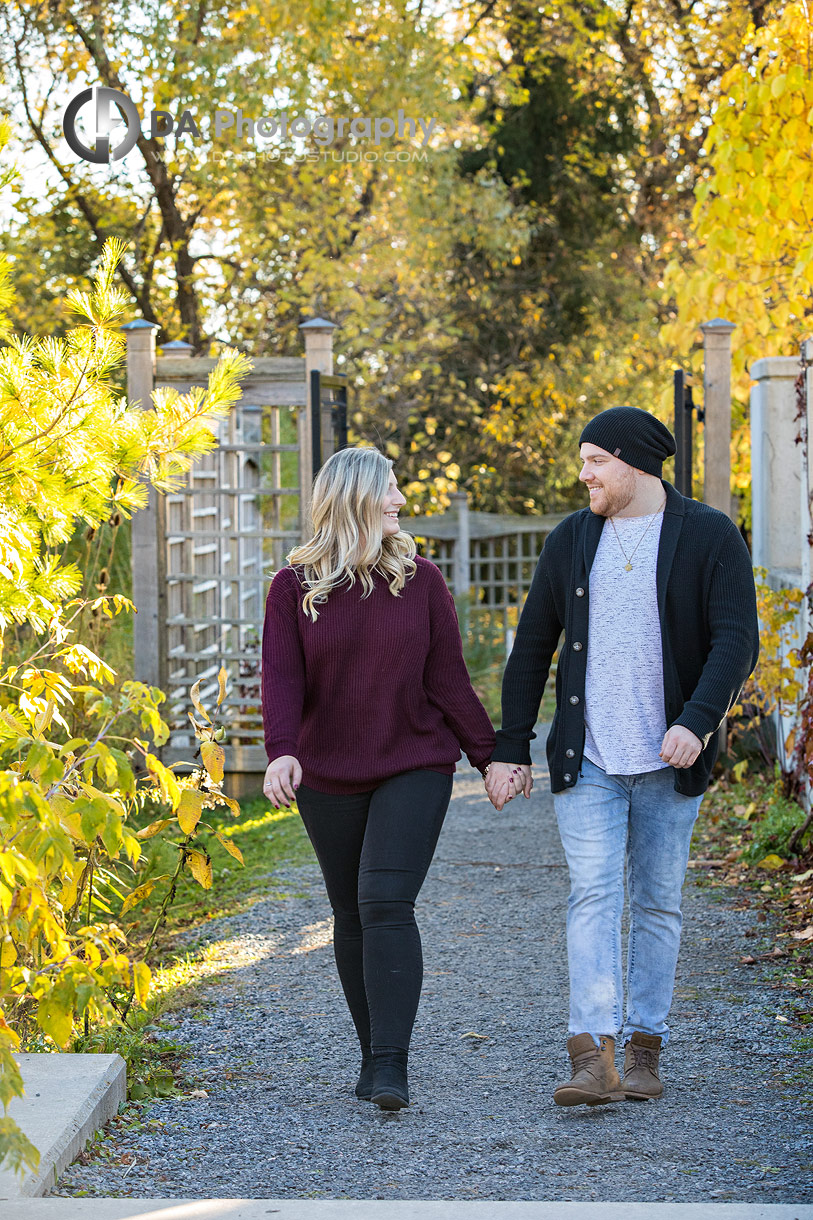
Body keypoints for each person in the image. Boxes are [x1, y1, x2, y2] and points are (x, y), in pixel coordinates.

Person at [485, 406, 759, 1106]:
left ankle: (644, 1048)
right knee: (592, 896)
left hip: (669, 759)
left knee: (658, 904)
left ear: (632, 463)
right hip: (591, 759)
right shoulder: (574, 539)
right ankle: (592, 1054)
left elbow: (735, 640)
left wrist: (696, 722)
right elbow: (532, 648)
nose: (583, 475)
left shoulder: (709, 535)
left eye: (594, 461)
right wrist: (509, 748)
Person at [260, 446, 495, 1111]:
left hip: (413, 761)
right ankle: (371, 1054)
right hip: (327, 769)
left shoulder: (420, 580)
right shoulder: (293, 589)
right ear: (356, 498)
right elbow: (280, 678)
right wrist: (281, 751)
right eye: (389, 489)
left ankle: (392, 1065)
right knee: (349, 912)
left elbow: (447, 678)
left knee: (386, 902)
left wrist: (491, 757)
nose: (398, 500)